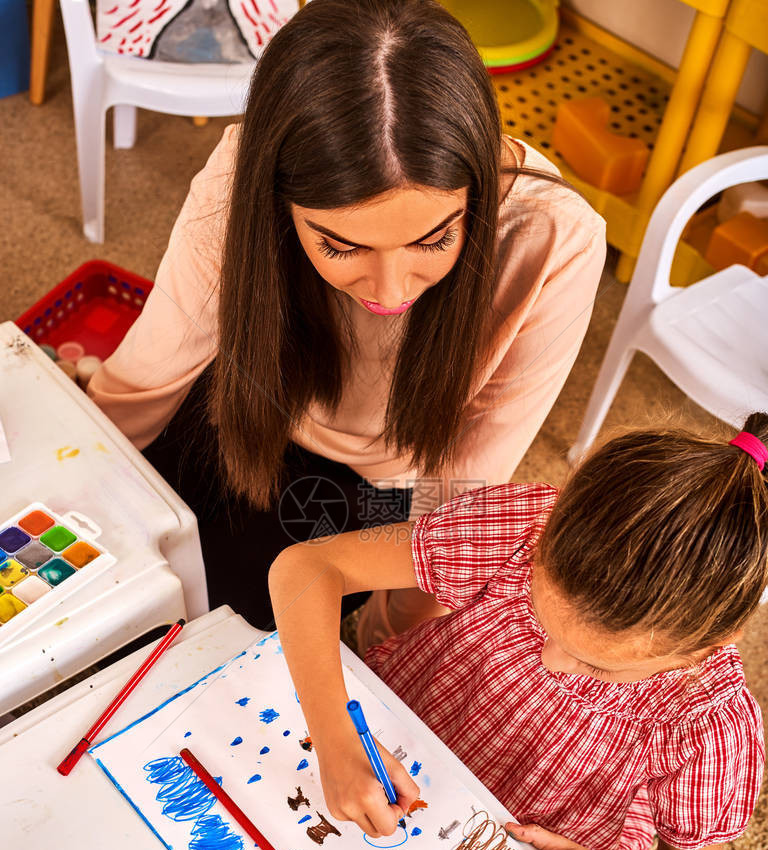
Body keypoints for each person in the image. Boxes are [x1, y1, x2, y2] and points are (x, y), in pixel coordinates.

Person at [87, 0, 605, 636]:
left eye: (434, 239)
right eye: (340, 246)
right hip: (243, 407)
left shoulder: (555, 238)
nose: (390, 291)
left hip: (377, 490)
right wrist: (72, 479)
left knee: (210, 640)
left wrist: (391, 638)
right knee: (111, 585)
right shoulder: (242, 165)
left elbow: (463, 487)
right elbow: (152, 369)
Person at [268, 415, 767, 850]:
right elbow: (307, 568)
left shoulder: (712, 725)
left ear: (706, 647)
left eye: (597, 665)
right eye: (539, 616)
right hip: (396, 736)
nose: (552, 661)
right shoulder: (519, 524)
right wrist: (332, 732)